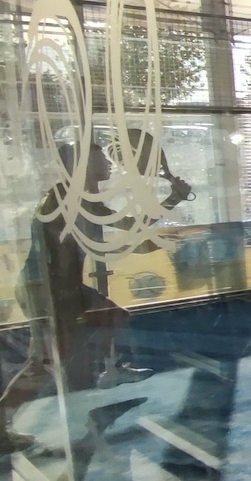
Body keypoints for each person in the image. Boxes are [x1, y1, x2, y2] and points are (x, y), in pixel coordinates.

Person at [2, 141, 193, 452]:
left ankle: (111, 368)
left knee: (115, 316)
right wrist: (171, 200)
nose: (109, 162)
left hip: (68, 288)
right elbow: (129, 234)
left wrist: (172, 199)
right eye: (100, 157)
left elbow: (128, 227)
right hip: (46, 290)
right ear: (80, 166)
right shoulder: (66, 197)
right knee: (44, 363)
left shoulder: (83, 197)